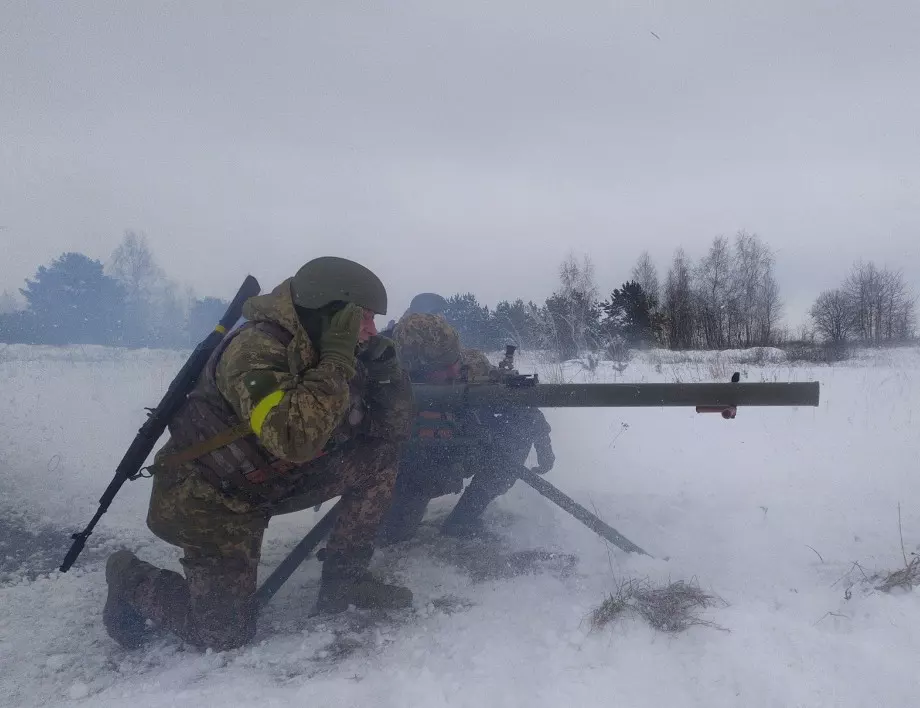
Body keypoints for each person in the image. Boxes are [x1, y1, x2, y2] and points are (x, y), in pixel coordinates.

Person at [103, 256, 415, 652]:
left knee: (380, 459)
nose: (371, 332)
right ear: (326, 314)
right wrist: (336, 361)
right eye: (363, 319)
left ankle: (346, 580)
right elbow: (293, 438)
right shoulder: (254, 350)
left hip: (277, 479)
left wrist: (387, 375)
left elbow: (393, 433)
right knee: (223, 634)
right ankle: (129, 577)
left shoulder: (330, 348)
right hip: (213, 497)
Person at [379, 307, 555, 542]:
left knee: (515, 435)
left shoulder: (472, 366)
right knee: (393, 535)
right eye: (442, 365)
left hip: (455, 455)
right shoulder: (384, 379)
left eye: (455, 357)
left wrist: (543, 441)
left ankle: (465, 519)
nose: (455, 368)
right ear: (413, 367)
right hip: (409, 471)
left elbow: (522, 407)